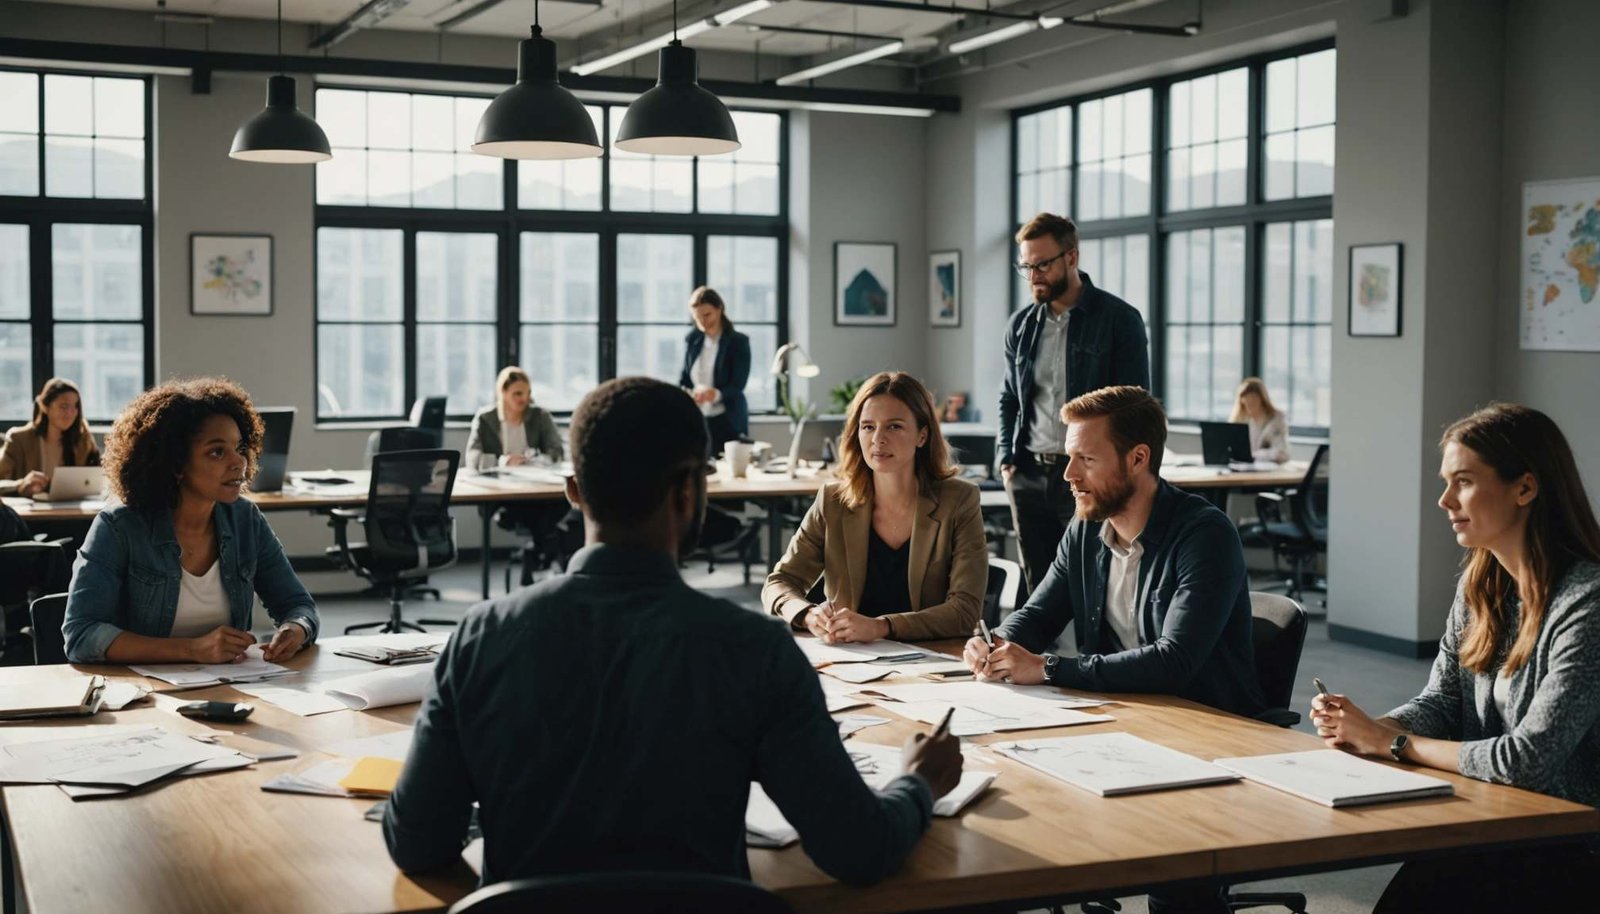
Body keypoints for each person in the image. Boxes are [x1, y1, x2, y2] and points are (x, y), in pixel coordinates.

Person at [384, 377, 961, 886]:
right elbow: (859, 851)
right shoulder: (755, 652)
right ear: (691, 493)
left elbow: (415, 845)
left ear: (574, 491)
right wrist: (918, 783)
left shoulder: (481, 638)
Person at [1311, 403, 1600, 912]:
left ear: (1525, 488)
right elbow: (1443, 702)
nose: (1444, 500)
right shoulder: (1482, 586)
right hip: (1491, 822)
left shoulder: (1587, 602)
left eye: (1463, 481)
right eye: (1446, 482)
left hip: (1568, 844)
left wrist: (1394, 743)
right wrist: (1364, 728)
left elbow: (1528, 761)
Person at [61, 378, 318, 664]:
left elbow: (297, 604)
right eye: (217, 452)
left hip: (231, 689)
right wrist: (192, 649)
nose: (239, 462)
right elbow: (81, 635)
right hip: (141, 696)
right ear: (175, 464)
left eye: (239, 447)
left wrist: (296, 628)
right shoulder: (118, 527)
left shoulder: (245, 519)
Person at [764, 372, 986, 643]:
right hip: (851, 661)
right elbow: (779, 583)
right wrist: (808, 614)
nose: (878, 439)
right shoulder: (833, 501)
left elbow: (965, 611)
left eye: (894, 427)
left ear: (922, 435)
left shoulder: (959, 500)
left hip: (932, 659)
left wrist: (881, 627)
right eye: (868, 426)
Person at [999, 212, 1150, 595]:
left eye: (1042, 264)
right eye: (1026, 266)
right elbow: (1009, 397)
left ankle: (1089, 658)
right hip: (1029, 472)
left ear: (1071, 257)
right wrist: (1006, 459)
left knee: (1090, 581)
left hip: (1090, 474)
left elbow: (1136, 407)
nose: (1034, 276)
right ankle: (1035, 656)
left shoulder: (1119, 320)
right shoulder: (1021, 326)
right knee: (1037, 585)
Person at [678, 285, 752, 457]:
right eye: (697, 318)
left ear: (719, 309)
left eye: (707, 315)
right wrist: (690, 394)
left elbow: (738, 384)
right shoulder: (693, 340)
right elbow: (684, 380)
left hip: (727, 419)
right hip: (699, 418)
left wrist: (716, 394)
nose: (703, 322)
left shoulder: (738, 342)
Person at [0, 378, 100, 497]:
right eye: (64, 406)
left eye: (75, 406)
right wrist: (20, 485)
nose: (71, 413)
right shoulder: (19, 439)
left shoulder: (82, 440)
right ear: (45, 407)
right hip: (31, 513)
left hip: (72, 511)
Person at [465, 366, 564, 471]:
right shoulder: (485, 419)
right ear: (503, 392)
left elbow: (557, 451)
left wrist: (537, 461)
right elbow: (473, 458)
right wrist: (502, 462)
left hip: (533, 478)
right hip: (496, 480)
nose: (525, 398)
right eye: (518, 394)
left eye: (528, 393)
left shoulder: (540, 416)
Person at [1229, 377, 1289, 463]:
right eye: (1246, 403)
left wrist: (1254, 454)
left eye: (1253, 401)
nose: (1249, 407)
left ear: (1262, 399)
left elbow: (1281, 452)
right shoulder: (1241, 419)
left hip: (1268, 470)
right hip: (1243, 467)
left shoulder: (1276, 419)